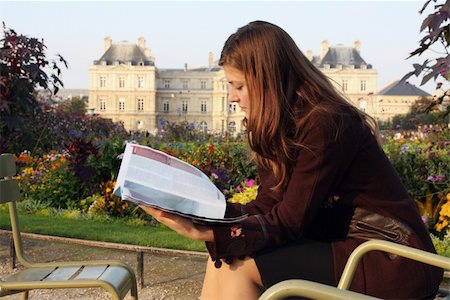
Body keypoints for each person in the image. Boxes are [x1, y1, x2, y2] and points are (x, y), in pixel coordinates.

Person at [140, 20, 443, 299]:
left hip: (391, 258)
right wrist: (199, 213)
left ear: (267, 81)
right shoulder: (285, 127)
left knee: (239, 265)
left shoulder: (325, 123)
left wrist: (211, 233)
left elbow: (289, 221)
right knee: (222, 259)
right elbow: (267, 206)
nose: (232, 97)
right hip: (348, 247)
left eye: (239, 86)